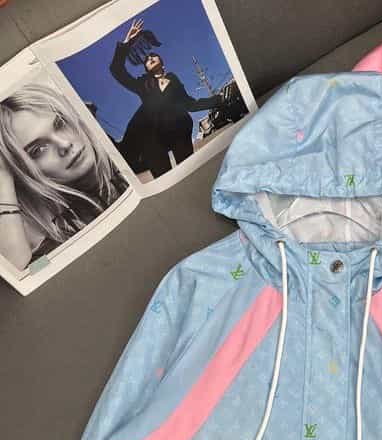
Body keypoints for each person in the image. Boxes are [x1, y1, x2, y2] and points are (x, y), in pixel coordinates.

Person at [0, 83, 128, 272]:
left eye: (60, 123)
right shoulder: (53, 245)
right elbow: (24, 271)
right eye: (39, 149)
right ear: (20, 173)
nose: (65, 144)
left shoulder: (129, 161)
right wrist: (3, 176)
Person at [110, 17, 224, 178]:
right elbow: (117, 70)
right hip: (153, 139)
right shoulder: (143, 84)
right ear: (146, 69)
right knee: (165, 177)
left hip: (179, 131)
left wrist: (218, 99)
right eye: (147, 60)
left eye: (153, 56)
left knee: (190, 172)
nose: (149, 58)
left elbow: (190, 104)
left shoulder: (173, 79)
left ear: (162, 63)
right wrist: (127, 42)